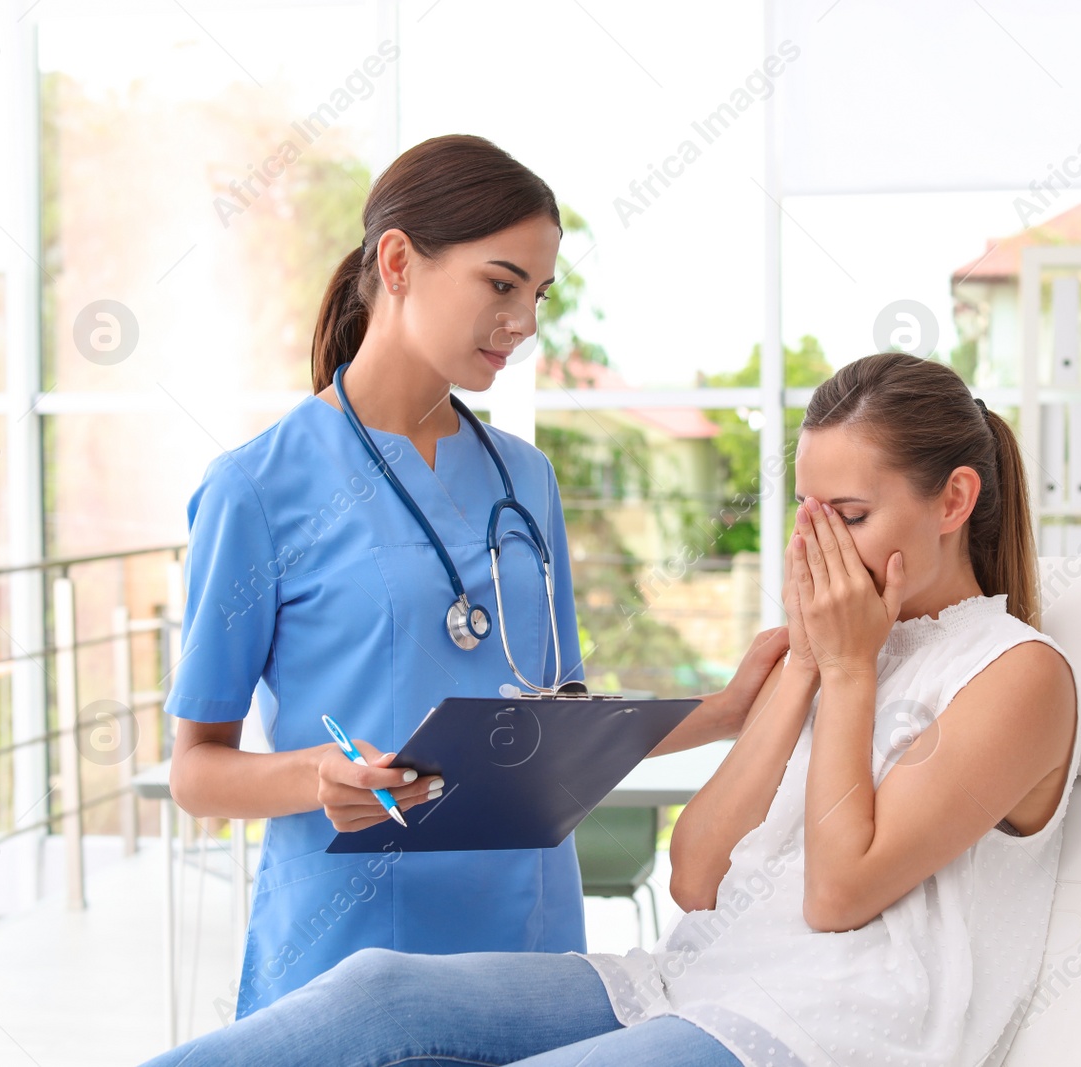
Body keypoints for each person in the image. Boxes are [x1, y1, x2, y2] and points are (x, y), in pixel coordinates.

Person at [144, 352, 1081, 1067]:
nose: (818, 545)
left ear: (955, 499)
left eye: (851, 514)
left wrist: (847, 672)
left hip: (829, 1024)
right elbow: (696, 870)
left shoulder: (1014, 675)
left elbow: (838, 895)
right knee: (377, 995)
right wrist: (801, 673)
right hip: (697, 975)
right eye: (807, 514)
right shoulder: (843, 654)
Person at [163, 133, 787, 1021]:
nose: (525, 321)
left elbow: (556, 722)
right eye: (501, 284)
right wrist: (316, 777)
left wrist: (724, 712)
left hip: (524, 938)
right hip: (349, 950)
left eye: (538, 294)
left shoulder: (523, 478)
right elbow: (197, 769)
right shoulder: (257, 490)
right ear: (398, 261)